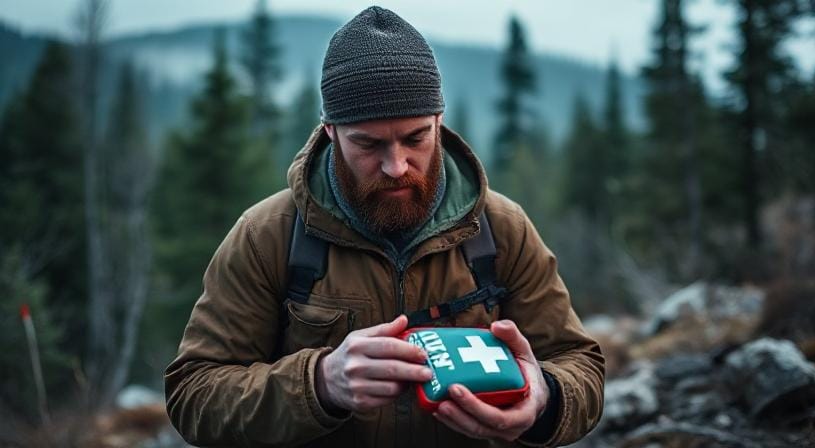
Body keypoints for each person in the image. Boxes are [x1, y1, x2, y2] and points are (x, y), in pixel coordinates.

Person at [165, 6, 604, 447]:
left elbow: (580, 363)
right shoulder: (268, 236)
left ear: (439, 122)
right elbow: (194, 393)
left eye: (416, 138)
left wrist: (545, 397)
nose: (396, 167)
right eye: (368, 144)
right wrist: (319, 384)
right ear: (331, 131)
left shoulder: (501, 229)